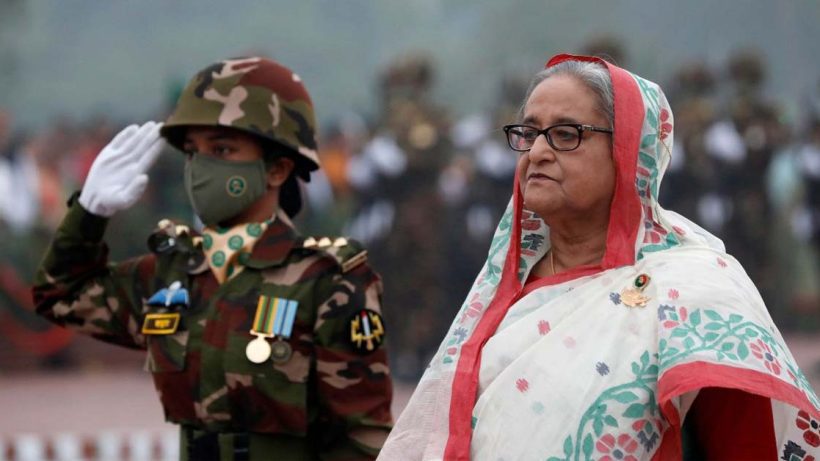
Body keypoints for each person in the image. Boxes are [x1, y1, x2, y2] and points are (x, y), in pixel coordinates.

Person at [377, 54, 820, 460]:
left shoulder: (694, 292)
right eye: (528, 133)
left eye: (566, 134)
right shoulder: (502, 295)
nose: (538, 152)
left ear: (628, 151)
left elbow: (745, 445)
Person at [32, 56, 393, 460]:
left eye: (221, 149)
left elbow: (363, 436)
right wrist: (88, 214)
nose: (200, 167)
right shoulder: (173, 273)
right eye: (192, 152)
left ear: (277, 169)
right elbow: (60, 294)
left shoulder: (326, 281)